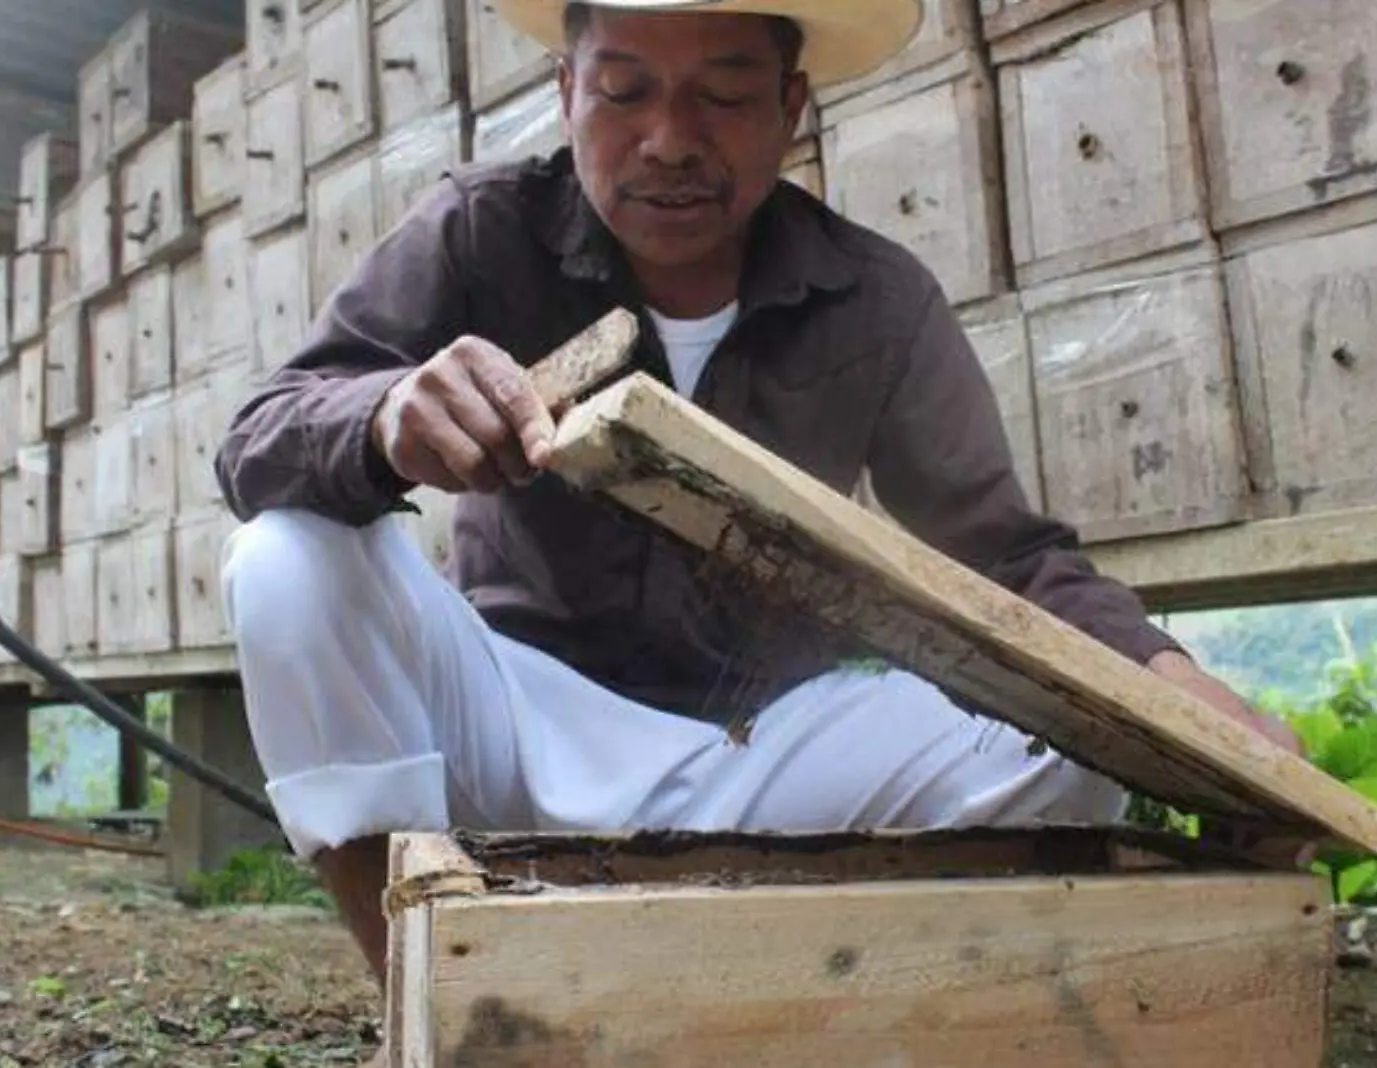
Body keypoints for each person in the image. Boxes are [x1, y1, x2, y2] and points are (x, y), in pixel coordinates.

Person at [215, 0, 1303, 1001]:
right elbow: (263, 432)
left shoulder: (876, 297)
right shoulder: (475, 229)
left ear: (792, 104)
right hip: (511, 726)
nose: (672, 140)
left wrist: (1178, 697)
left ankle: (831, 999)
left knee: (1065, 744)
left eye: (726, 95)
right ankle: (433, 997)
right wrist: (384, 413)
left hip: (770, 751)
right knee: (285, 557)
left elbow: (1007, 560)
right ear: (564, 93)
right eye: (624, 91)